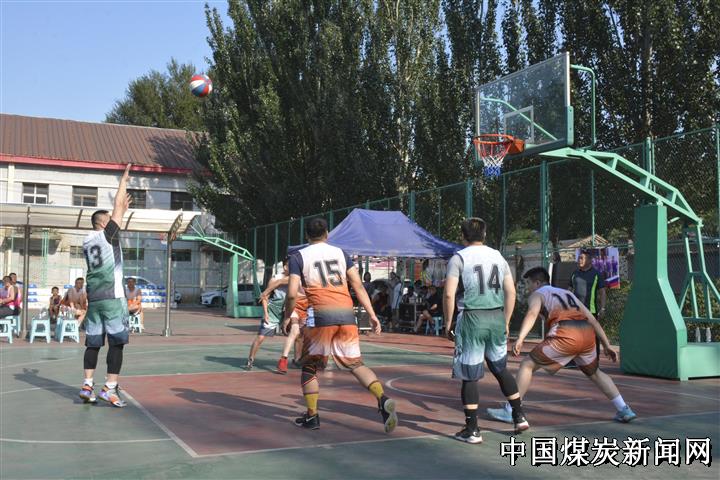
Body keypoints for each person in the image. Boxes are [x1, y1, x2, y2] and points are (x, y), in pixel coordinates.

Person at [282, 217, 398, 432]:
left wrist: (288, 317)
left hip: (320, 315)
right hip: (346, 314)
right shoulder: (341, 254)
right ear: (327, 234)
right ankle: (382, 399)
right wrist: (372, 314)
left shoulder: (298, 256)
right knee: (355, 364)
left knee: (309, 366)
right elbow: (358, 286)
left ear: (306, 235)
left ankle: (312, 416)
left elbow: (291, 294)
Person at [487, 267, 636, 425]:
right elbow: (592, 320)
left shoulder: (538, 294)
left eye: (529, 283)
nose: (528, 288)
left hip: (566, 333)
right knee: (595, 373)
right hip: (586, 334)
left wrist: (520, 338)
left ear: (537, 283)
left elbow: (532, 314)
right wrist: (606, 344)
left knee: (526, 365)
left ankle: (512, 411)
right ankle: (624, 408)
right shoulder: (568, 294)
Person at [443, 218, 528, 444]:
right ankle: (519, 415)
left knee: (470, 375)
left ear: (462, 236)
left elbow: (449, 294)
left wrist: (448, 323)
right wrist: (506, 320)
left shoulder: (459, 258)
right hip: (496, 316)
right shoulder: (498, 256)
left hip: (472, 318)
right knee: (500, 369)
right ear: (485, 234)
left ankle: (472, 429)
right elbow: (511, 292)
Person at [78, 164, 132, 407]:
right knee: (117, 343)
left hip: (95, 299)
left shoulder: (87, 241)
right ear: (103, 223)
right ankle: (110, 388)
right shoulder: (107, 235)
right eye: (110, 219)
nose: (115, 220)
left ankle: (87, 384)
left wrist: (121, 210)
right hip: (112, 297)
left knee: (93, 343)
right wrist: (123, 182)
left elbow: (118, 210)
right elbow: (117, 206)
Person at [246, 261, 289, 371]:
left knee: (296, 334)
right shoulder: (275, 279)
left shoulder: (295, 278)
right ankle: (251, 358)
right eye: (291, 265)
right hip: (273, 311)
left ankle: (295, 359)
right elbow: (265, 297)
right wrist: (265, 314)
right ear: (285, 267)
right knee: (261, 337)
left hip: (287, 311)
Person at [570, 249, 607, 359]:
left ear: (589, 260)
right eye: (579, 258)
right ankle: (574, 360)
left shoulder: (596, 274)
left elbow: (602, 292)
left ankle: (595, 360)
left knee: (592, 336)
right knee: (574, 336)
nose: (579, 260)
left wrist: (603, 308)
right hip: (575, 311)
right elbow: (569, 290)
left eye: (582, 258)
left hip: (591, 311)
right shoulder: (575, 273)